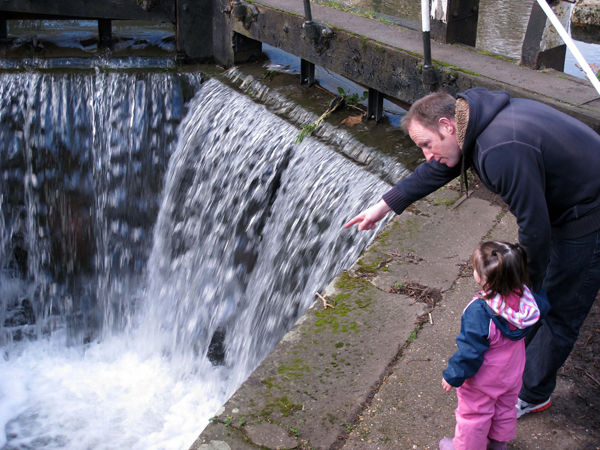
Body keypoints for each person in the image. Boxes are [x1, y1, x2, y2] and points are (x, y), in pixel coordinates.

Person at [344, 88, 600, 417]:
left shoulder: (500, 150)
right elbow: (441, 166)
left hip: (589, 213)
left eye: (426, 144)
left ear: (447, 125)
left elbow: (534, 230)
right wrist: (383, 206)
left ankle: (532, 394)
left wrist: (519, 289)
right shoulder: (476, 121)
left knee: (561, 312)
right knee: (536, 297)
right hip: (572, 196)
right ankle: (517, 361)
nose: (426, 154)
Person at [439, 241, 549, 450]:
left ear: (484, 279)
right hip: (513, 373)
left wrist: (453, 375)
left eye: (474, 269)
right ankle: (498, 443)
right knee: (505, 408)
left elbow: (470, 351)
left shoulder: (480, 311)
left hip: (484, 379)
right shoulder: (527, 301)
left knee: (474, 415)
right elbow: (543, 306)